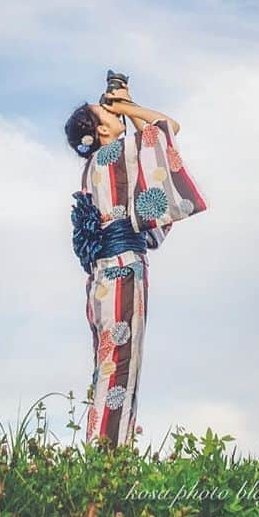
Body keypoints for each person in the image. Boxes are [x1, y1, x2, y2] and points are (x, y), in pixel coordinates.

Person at [63, 83, 208, 447]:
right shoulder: (114, 155)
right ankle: (109, 459)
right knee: (121, 367)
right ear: (101, 132)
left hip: (103, 278)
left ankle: (102, 450)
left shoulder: (93, 168)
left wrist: (124, 108)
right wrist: (130, 105)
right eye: (107, 114)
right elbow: (166, 127)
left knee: (108, 364)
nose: (114, 114)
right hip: (123, 270)